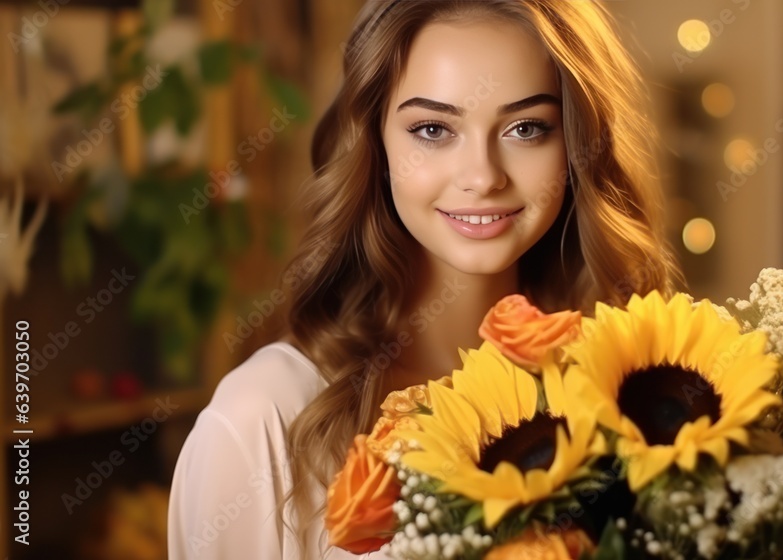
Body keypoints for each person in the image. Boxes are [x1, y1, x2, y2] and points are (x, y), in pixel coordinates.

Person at [167, 0, 680, 558]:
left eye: (526, 128)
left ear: (577, 144)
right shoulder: (261, 421)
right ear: (375, 143)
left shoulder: (640, 391)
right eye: (433, 129)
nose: (482, 177)